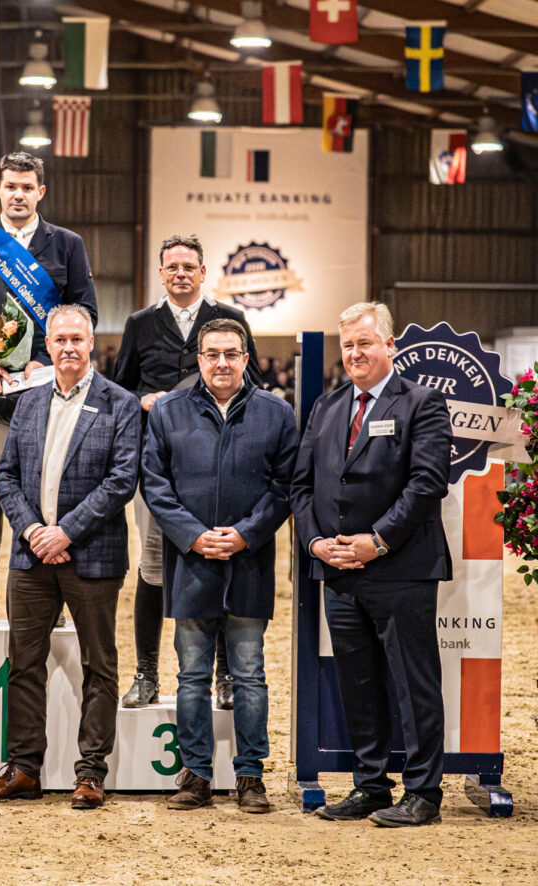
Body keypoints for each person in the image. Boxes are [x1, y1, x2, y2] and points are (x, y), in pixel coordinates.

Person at [0, 305, 140, 809]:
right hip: (30, 557)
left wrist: (65, 532)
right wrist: (33, 530)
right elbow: (5, 476)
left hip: (90, 556)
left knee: (99, 665)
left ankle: (90, 773)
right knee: (23, 664)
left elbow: (120, 482)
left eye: (77, 339)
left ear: (92, 343)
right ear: (48, 343)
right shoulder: (30, 400)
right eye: (59, 339)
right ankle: (24, 769)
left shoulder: (120, 404)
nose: (68, 347)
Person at [290, 302, 452, 828]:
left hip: (400, 569)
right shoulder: (328, 406)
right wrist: (316, 545)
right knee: (357, 684)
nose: (355, 354)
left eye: (365, 343)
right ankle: (371, 786)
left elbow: (427, 484)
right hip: (337, 572)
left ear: (389, 346)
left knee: (414, 683)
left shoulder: (422, 404)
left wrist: (377, 541)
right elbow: (301, 486)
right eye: (348, 346)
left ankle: (424, 793)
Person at [143, 318, 298, 813]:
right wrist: (193, 536)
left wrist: (246, 535)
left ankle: (251, 776)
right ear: (200, 358)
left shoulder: (277, 413)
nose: (222, 363)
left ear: (247, 358)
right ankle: (195, 775)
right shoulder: (167, 411)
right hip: (191, 563)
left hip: (248, 562)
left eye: (232, 354)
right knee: (191, 675)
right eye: (212, 354)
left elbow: (285, 486)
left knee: (250, 673)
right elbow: (154, 483)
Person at [0, 151, 98, 627]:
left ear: (40, 192)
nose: (19, 195)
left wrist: (45, 363)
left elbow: (84, 313)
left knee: (51, 490)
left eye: (28, 187)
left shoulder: (67, 244)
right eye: (11, 187)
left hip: (47, 388)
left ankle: (54, 593)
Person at [113, 234, 261, 709]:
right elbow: (119, 392)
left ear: (203, 272)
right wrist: (142, 401)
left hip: (218, 462)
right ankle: (146, 673)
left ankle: (226, 678)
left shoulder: (231, 321)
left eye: (188, 266)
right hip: (157, 465)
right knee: (153, 567)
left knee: (218, 558)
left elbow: (252, 382)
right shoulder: (139, 324)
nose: (179, 273)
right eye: (171, 266)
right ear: (161, 273)